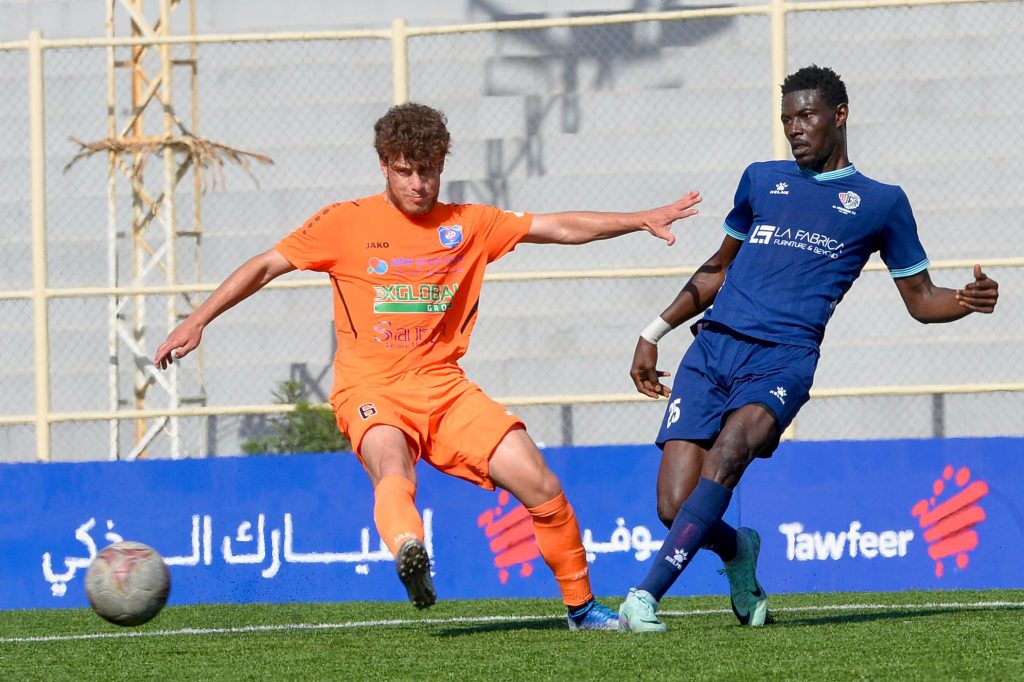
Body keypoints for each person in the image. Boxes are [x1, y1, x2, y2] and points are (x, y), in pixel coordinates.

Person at [154, 102, 702, 631]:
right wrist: (197, 319)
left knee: (541, 483)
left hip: (444, 389)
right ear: (384, 166)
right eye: (405, 171)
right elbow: (265, 266)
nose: (418, 184)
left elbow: (558, 227)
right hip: (370, 389)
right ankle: (410, 549)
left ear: (442, 166)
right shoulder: (344, 223)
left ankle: (582, 610)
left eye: (429, 171)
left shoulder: (468, 223)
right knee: (393, 467)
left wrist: (640, 219)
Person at [617, 65, 1000, 632]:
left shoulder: (881, 203)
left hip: (783, 359)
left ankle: (643, 598)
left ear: (839, 116)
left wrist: (965, 300)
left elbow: (921, 300)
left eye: (806, 116)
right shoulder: (760, 180)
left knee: (730, 452)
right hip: (713, 349)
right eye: (786, 119)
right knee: (675, 508)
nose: (794, 129)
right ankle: (738, 549)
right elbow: (718, 268)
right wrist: (652, 332)